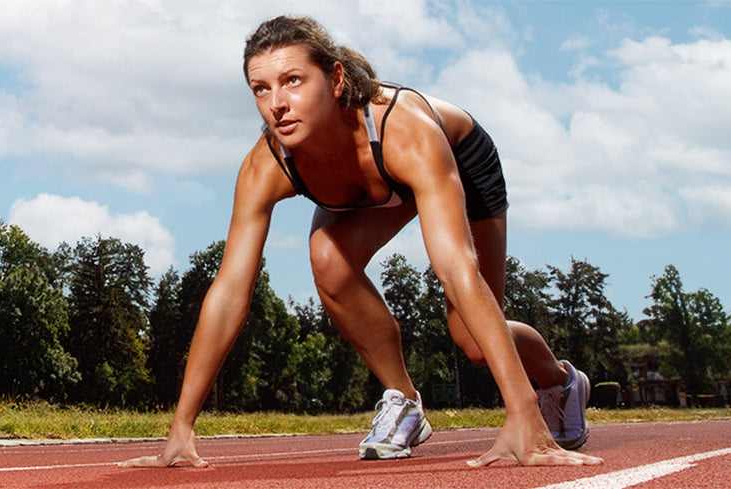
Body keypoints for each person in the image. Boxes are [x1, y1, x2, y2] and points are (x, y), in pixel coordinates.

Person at [121, 15, 604, 469]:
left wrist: (521, 412)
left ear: (334, 80)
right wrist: (181, 426)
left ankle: (561, 383)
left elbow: (457, 269)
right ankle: (405, 401)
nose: (277, 103)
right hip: (369, 185)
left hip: (454, 158)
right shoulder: (265, 165)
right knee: (328, 258)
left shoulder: (404, 130)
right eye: (260, 89)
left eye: (293, 81)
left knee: (473, 341)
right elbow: (229, 293)